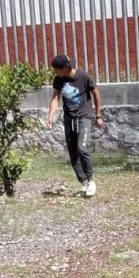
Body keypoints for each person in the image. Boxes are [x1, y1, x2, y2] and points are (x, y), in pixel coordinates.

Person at [45, 55, 104, 197]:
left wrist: (98, 115)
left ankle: (91, 181)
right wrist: (51, 115)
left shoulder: (83, 76)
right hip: (69, 119)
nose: (55, 72)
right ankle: (83, 182)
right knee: (72, 153)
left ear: (66, 68)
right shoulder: (59, 79)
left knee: (82, 148)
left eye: (56, 69)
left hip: (84, 117)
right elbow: (55, 97)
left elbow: (95, 93)